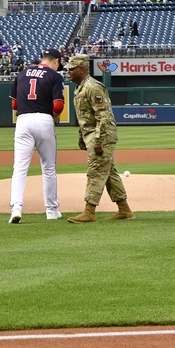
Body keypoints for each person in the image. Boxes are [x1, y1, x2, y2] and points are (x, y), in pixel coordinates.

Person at [64, 54, 133, 222]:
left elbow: (103, 116)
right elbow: (85, 117)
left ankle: (89, 211)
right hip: (92, 135)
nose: (68, 72)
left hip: (102, 136)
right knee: (109, 172)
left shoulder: (93, 87)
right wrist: (82, 137)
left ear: (83, 69)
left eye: (72, 69)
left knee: (95, 171)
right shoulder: (80, 87)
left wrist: (98, 139)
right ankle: (124, 210)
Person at [9, 48, 66, 223]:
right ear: (55, 61)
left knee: (19, 168)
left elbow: (14, 104)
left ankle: (16, 208)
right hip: (44, 119)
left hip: (23, 120)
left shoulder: (22, 73)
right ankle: (51, 210)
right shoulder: (55, 76)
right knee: (48, 168)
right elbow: (57, 106)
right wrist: (54, 116)